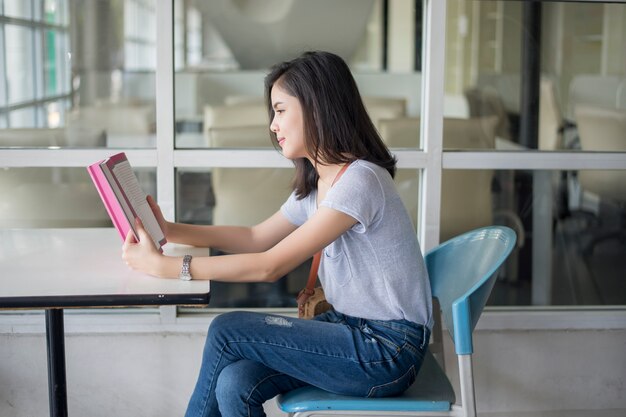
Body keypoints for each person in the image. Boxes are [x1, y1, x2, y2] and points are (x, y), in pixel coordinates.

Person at [122, 50, 433, 417]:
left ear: (317, 108)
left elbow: (269, 265)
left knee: (227, 329)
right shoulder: (323, 183)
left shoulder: (360, 180)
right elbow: (255, 237)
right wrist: (168, 230)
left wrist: (169, 268)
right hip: (349, 329)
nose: (273, 125)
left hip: (386, 349)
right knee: (235, 382)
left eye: (281, 110)